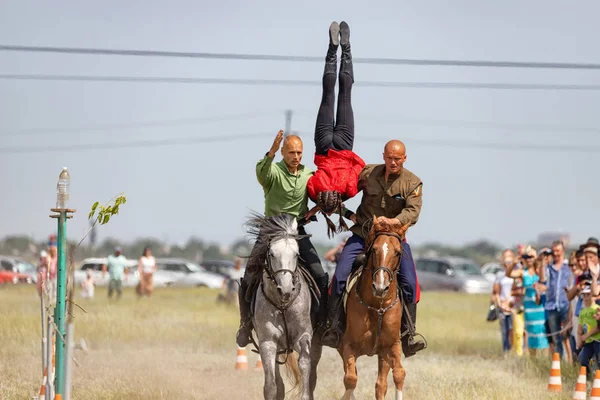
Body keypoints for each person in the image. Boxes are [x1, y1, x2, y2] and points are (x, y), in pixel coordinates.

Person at [320, 139, 426, 357]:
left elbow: (412, 212)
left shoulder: (413, 183)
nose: (393, 162)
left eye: (398, 158)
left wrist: (394, 222)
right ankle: (334, 328)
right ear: (383, 156)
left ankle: (408, 335)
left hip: (394, 238)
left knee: (410, 282)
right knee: (339, 276)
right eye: (389, 157)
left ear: (404, 158)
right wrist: (332, 194)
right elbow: (347, 186)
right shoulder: (368, 173)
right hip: (362, 235)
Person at [235, 130, 329, 348]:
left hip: (298, 230)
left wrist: (317, 207)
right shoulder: (274, 172)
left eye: (299, 153)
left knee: (321, 276)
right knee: (249, 274)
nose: (296, 157)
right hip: (271, 229)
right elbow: (261, 174)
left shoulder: (308, 174)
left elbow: (321, 194)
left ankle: (324, 324)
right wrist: (271, 152)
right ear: (283, 153)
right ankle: (246, 324)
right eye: (291, 152)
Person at [304, 21, 365, 238]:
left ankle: (346, 50)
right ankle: (332, 50)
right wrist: (314, 209)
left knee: (345, 95)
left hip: (344, 145)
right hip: (322, 145)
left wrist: (346, 212)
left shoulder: (347, 191)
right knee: (328, 95)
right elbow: (307, 176)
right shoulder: (314, 191)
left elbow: (361, 170)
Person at [506, 245, 549, 356]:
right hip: (529, 307)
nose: (529, 259)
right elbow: (509, 274)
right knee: (531, 332)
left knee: (542, 332)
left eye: (531, 256)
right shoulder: (522, 272)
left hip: (540, 306)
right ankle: (533, 359)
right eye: (526, 256)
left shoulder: (540, 271)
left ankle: (545, 358)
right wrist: (514, 263)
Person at [539, 240, 573, 359]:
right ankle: (558, 363)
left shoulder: (568, 267)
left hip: (565, 305)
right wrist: (543, 261)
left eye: (558, 251)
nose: (556, 254)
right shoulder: (549, 268)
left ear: (563, 251)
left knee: (567, 337)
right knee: (555, 338)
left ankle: (570, 361)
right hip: (552, 306)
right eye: (553, 251)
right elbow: (542, 279)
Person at [577, 285, 600, 379]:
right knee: (583, 358)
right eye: (584, 296)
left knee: (599, 360)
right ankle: (587, 379)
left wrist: (586, 335)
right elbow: (580, 328)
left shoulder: (597, 309)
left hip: (598, 340)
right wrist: (579, 338)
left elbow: (598, 327)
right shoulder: (582, 312)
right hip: (588, 341)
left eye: (588, 295)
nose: (586, 298)